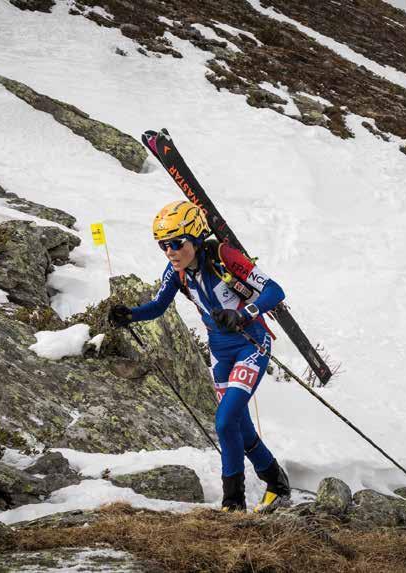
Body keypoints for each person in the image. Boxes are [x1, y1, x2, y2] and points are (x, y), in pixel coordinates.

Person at [108, 200, 291, 512]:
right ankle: (277, 482)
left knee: (224, 421)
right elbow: (158, 306)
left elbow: (274, 290)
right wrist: (130, 315)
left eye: (176, 243)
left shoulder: (224, 256)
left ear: (195, 238)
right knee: (239, 426)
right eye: (163, 245)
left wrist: (244, 314)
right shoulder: (176, 271)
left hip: (251, 344)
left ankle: (232, 503)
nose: (170, 252)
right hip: (220, 353)